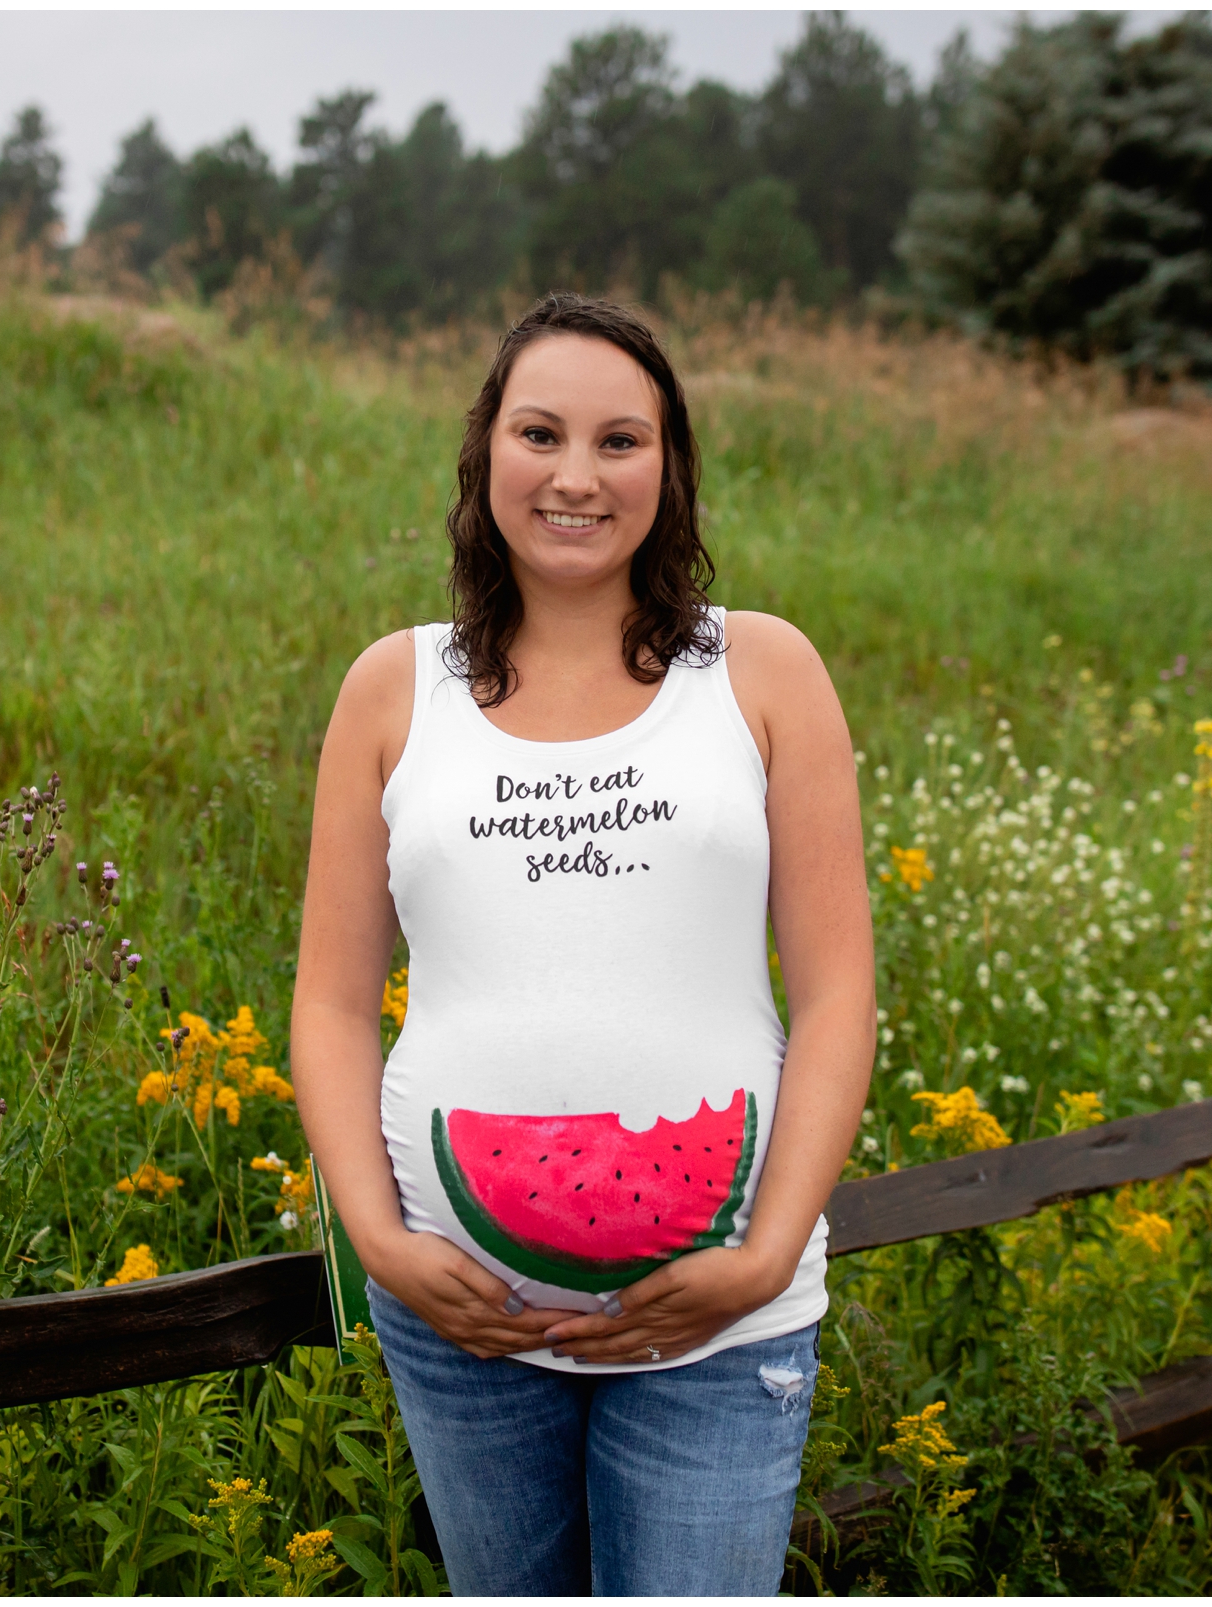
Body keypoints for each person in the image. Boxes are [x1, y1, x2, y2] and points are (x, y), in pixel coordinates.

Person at [292, 292, 874, 1596]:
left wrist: (765, 1253)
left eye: (621, 441)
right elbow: (331, 1005)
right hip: (458, 1329)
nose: (573, 476)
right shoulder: (396, 688)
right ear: (484, 454)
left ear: (669, 472)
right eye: (539, 432)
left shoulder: (764, 672)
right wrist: (381, 1246)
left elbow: (838, 998)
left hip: (725, 1328)